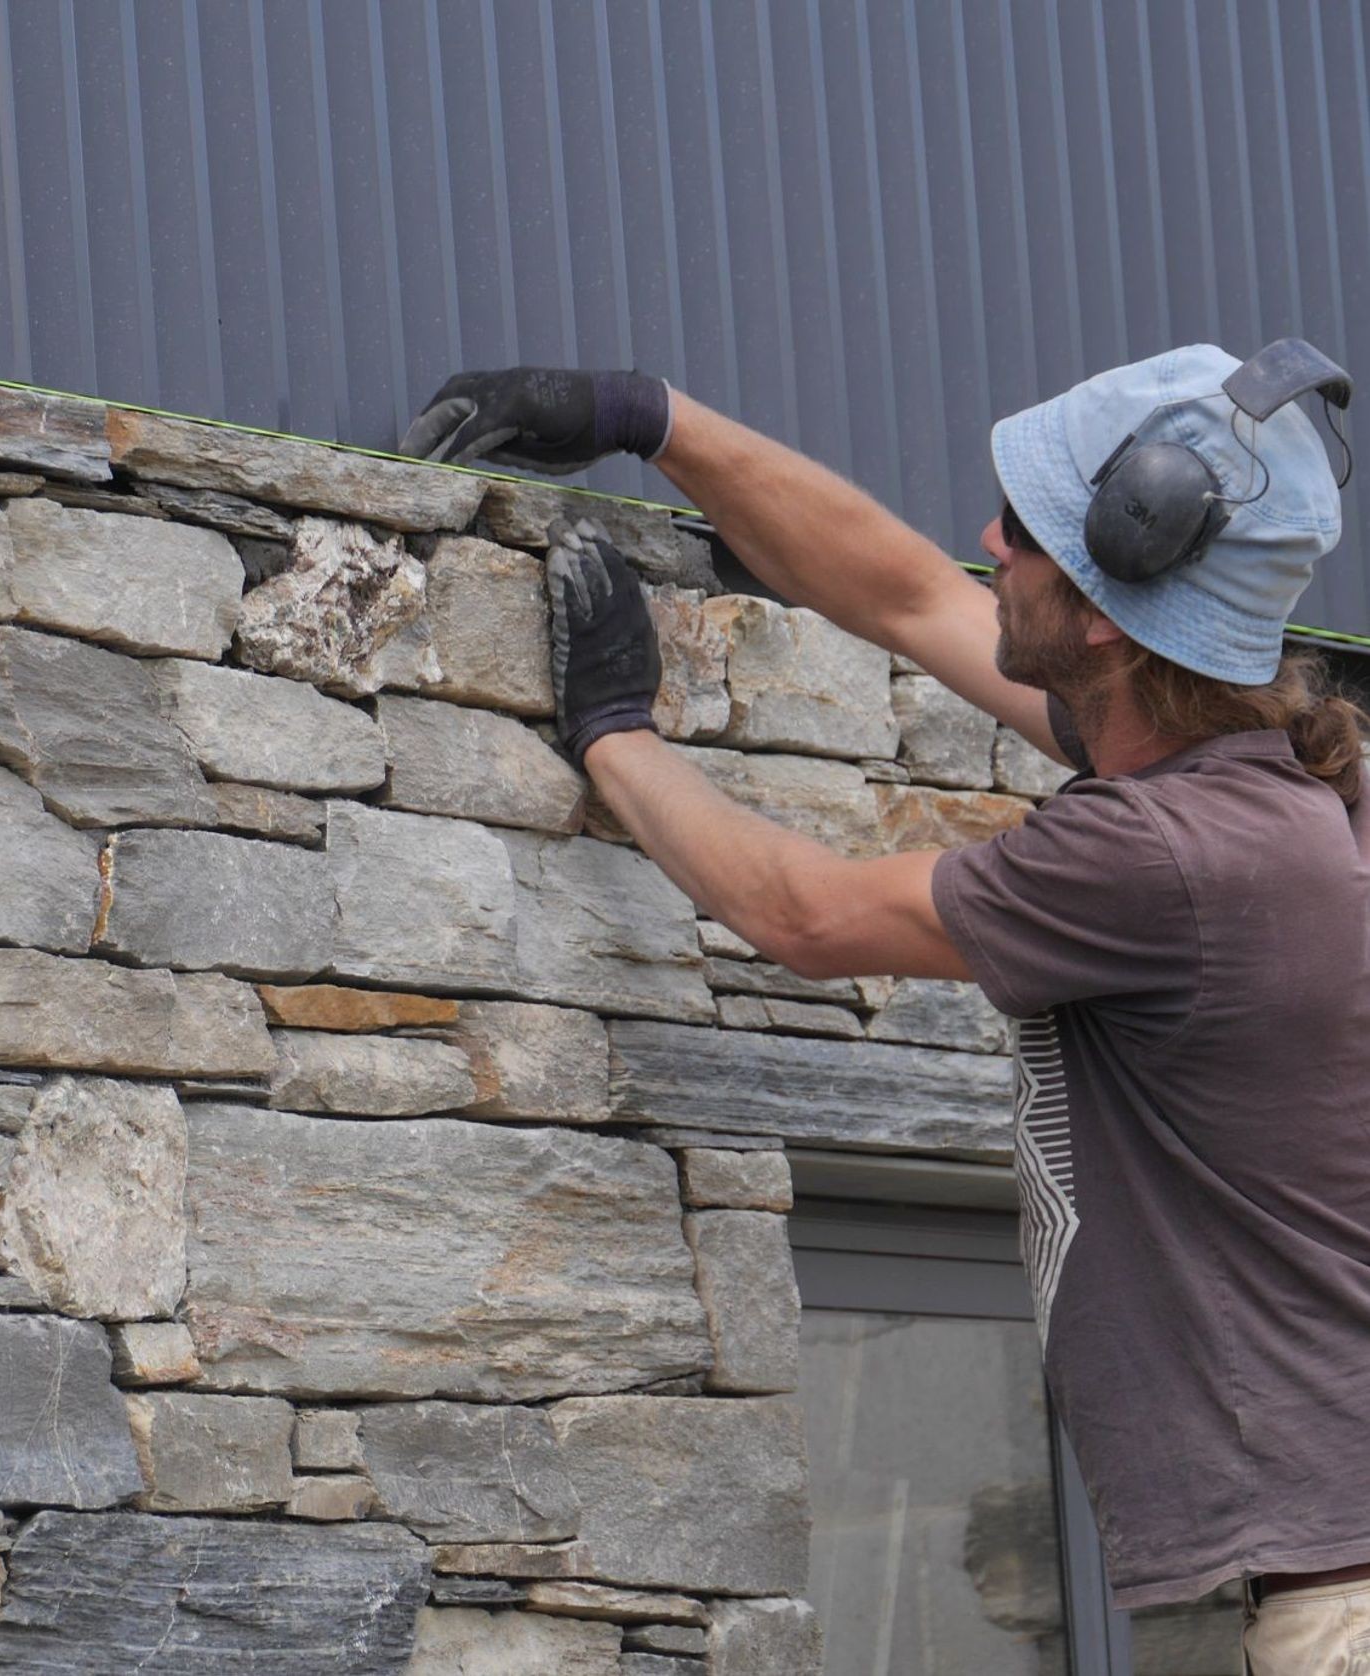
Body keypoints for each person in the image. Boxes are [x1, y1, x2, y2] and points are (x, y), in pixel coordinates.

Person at [401, 348, 1370, 1676]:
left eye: (1021, 533)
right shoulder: (1245, 779)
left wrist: (616, 734)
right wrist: (645, 419)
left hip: (1331, 1616)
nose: (988, 540)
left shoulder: (1169, 860)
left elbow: (804, 916)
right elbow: (910, 596)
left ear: (1105, 610)